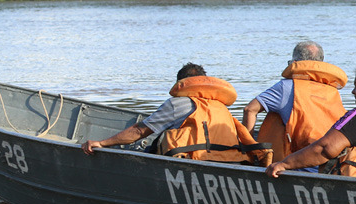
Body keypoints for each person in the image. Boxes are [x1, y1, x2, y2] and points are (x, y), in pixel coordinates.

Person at [82, 63, 265, 163]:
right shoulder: (220, 106)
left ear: (181, 84)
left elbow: (139, 131)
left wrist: (102, 142)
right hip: (232, 160)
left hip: (196, 162)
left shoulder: (178, 103)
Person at [241, 40, 347, 171]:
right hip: (331, 164)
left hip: (298, 165)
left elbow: (249, 109)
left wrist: (248, 148)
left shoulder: (286, 87)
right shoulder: (333, 91)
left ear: (294, 63)